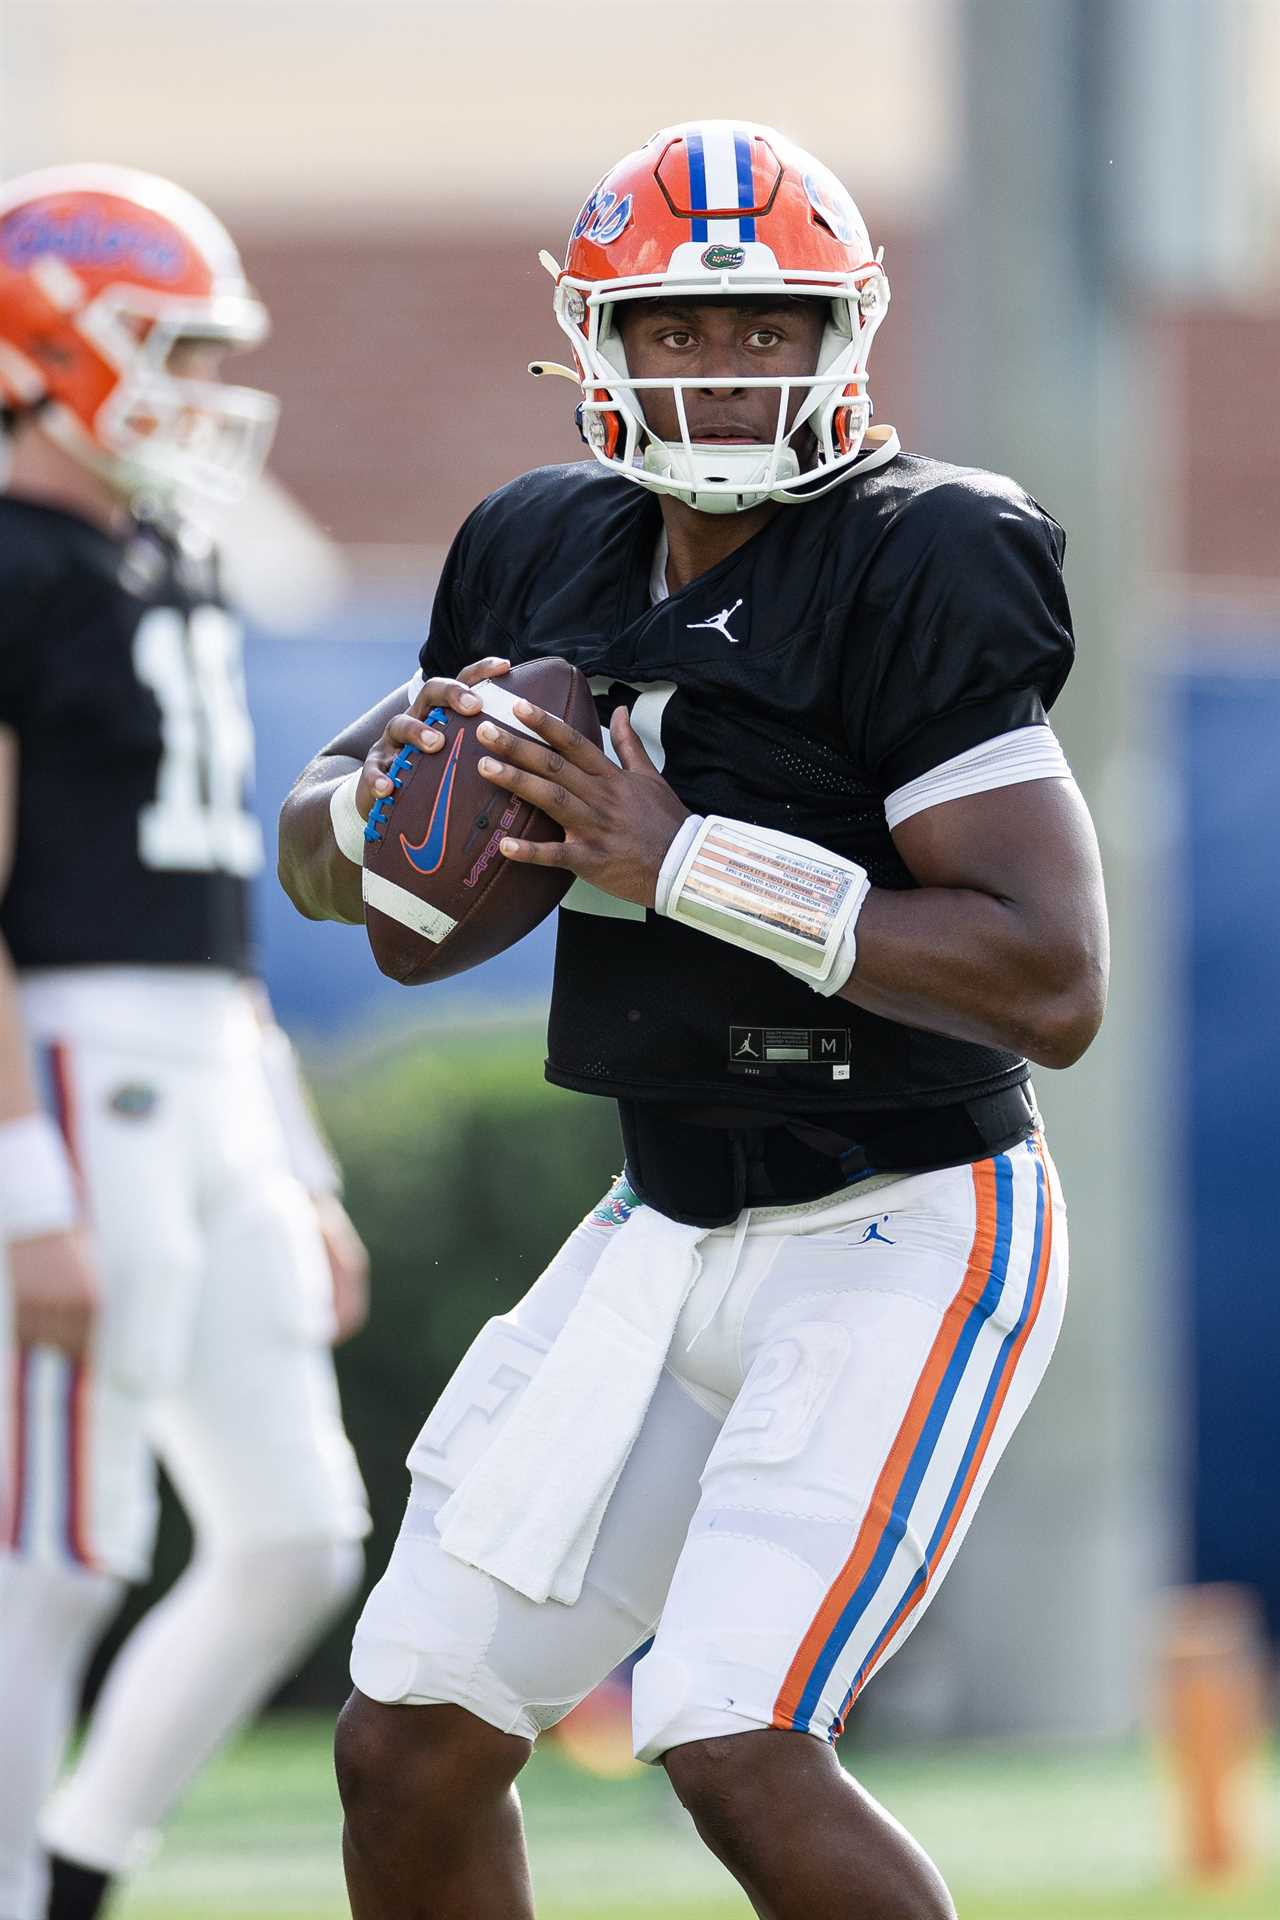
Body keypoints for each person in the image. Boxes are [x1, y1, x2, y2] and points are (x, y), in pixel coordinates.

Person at [279, 120, 1108, 1920]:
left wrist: (681, 861)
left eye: (763, 329)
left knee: (733, 1733)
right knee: (407, 1733)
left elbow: (1052, 980)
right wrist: (372, 819)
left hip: (906, 1221)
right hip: (660, 1223)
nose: (721, 371)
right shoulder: (541, 548)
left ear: (844, 338)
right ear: (597, 340)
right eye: (674, 329)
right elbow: (354, 871)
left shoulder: (920, 553)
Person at [0, 165, 371, 1920]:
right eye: (162, 347)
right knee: (58, 1554)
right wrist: (24, 1182)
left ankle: (74, 1868)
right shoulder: (13, 563)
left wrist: (292, 1156)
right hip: (66, 1067)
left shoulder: (165, 549)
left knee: (296, 1531)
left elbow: (213, 913)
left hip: (204, 1073)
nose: (198, 390)